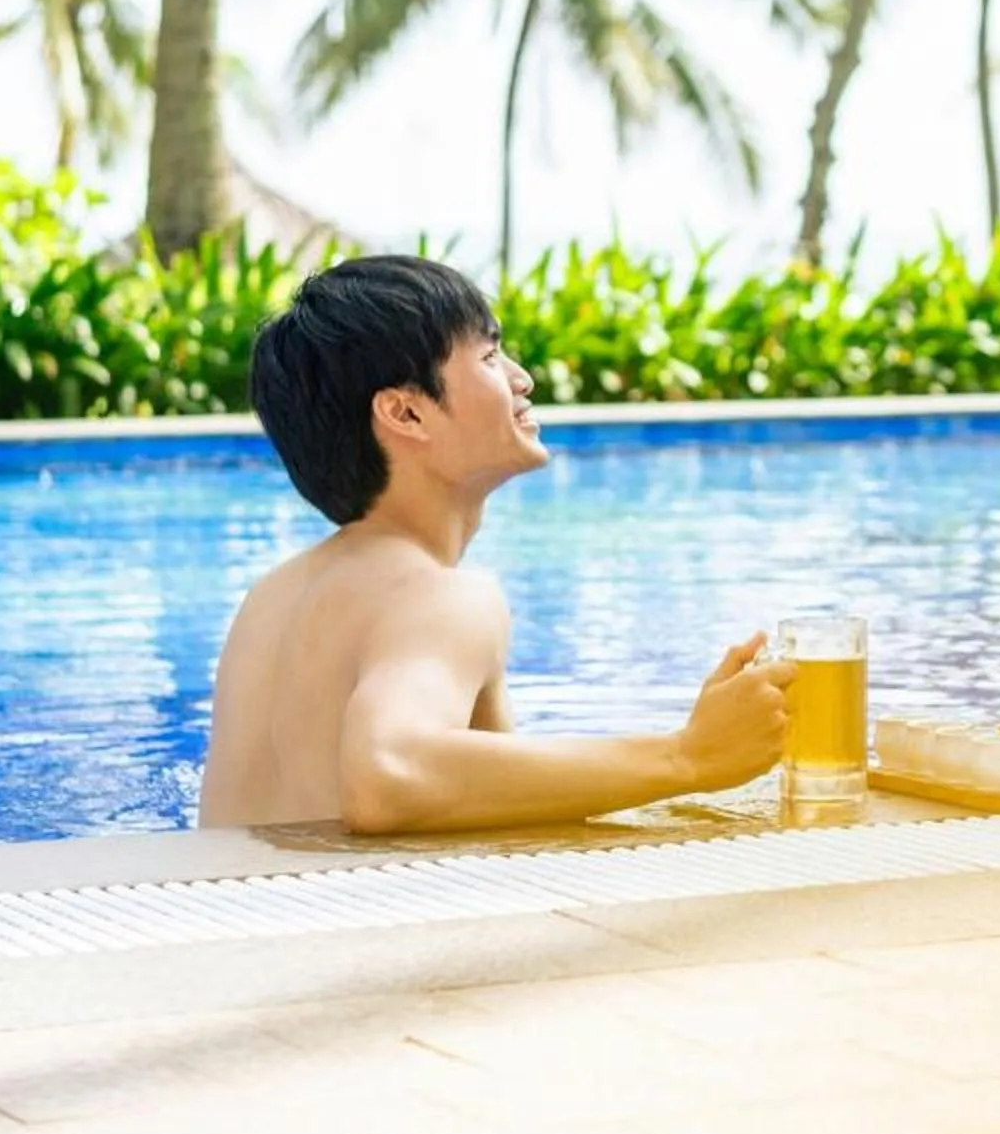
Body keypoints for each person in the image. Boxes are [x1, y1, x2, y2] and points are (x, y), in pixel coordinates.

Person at [199, 254, 792, 834]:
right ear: (405, 411)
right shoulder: (440, 595)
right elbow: (389, 776)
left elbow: (488, 794)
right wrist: (688, 757)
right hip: (349, 927)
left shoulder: (272, 598)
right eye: (488, 355)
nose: (521, 378)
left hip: (216, 920)